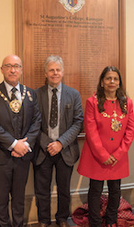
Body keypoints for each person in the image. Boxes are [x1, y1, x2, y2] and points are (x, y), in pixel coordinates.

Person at [0, 54, 41, 227]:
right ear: (2, 69)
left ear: (21, 70)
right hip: (0, 156)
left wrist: (25, 144)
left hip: (23, 156)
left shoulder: (30, 93)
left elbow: (36, 121)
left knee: (19, 197)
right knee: (1, 199)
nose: (13, 69)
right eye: (8, 66)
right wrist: (14, 144)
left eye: (17, 66)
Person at [77, 66, 134, 227]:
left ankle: (111, 221)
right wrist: (103, 155)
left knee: (115, 190)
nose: (112, 81)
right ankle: (95, 222)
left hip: (118, 156)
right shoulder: (92, 102)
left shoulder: (127, 103)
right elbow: (91, 131)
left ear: (119, 83)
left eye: (115, 79)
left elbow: (130, 130)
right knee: (95, 190)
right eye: (108, 78)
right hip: (96, 156)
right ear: (102, 82)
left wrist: (118, 154)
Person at [33, 56, 84, 227]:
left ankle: (62, 218)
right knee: (42, 190)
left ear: (63, 72)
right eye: (51, 70)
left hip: (65, 150)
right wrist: (48, 143)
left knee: (64, 189)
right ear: (45, 73)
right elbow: (32, 124)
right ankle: (43, 220)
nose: (55, 73)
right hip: (42, 150)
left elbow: (78, 122)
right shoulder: (36, 95)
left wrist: (60, 143)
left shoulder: (73, 94)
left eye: (58, 70)